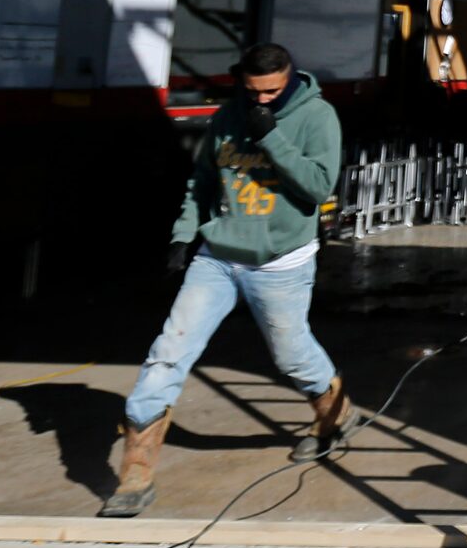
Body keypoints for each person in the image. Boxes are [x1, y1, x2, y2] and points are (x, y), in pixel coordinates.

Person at [102, 41, 348, 518]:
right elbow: (202, 181)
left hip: (281, 261)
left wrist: (272, 138)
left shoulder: (318, 117)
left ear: (289, 76)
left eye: (271, 92)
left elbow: (320, 187)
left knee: (291, 355)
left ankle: (333, 414)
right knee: (168, 352)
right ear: (242, 81)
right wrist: (183, 236)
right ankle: (136, 473)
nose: (260, 101)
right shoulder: (227, 115)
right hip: (216, 258)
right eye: (252, 92)